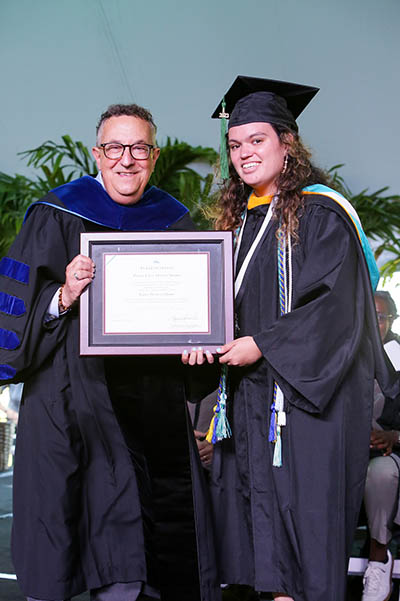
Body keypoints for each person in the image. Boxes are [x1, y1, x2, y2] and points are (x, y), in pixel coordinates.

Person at [184, 76, 400, 601]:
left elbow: (337, 307)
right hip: (249, 403)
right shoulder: (234, 226)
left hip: (304, 408)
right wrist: (196, 340)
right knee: (262, 556)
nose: (244, 153)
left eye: (257, 140)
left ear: (288, 142)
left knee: (302, 539)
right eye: (235, 145)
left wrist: (262, 343)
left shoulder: (320, 213)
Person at [0, 104, 219, 601]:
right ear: (96, 154)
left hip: (154, 402)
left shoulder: (177, 223)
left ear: (154, 155)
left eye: (138, 148)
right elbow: (15, 314)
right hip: (71, 402)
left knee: (146, 554)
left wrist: (199, 347)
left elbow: (200, 317)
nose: (126, 160)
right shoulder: (55, 214)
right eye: (114, 148)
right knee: (66, 528)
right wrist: (65, 296)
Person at [362, 290, 400, 601]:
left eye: (383, 317)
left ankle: (378, 560)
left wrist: (395, 436)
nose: (377, 323)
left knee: (382, 473)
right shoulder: (344, 352)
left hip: (388, 452)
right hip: (347, 451)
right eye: (370, 315)